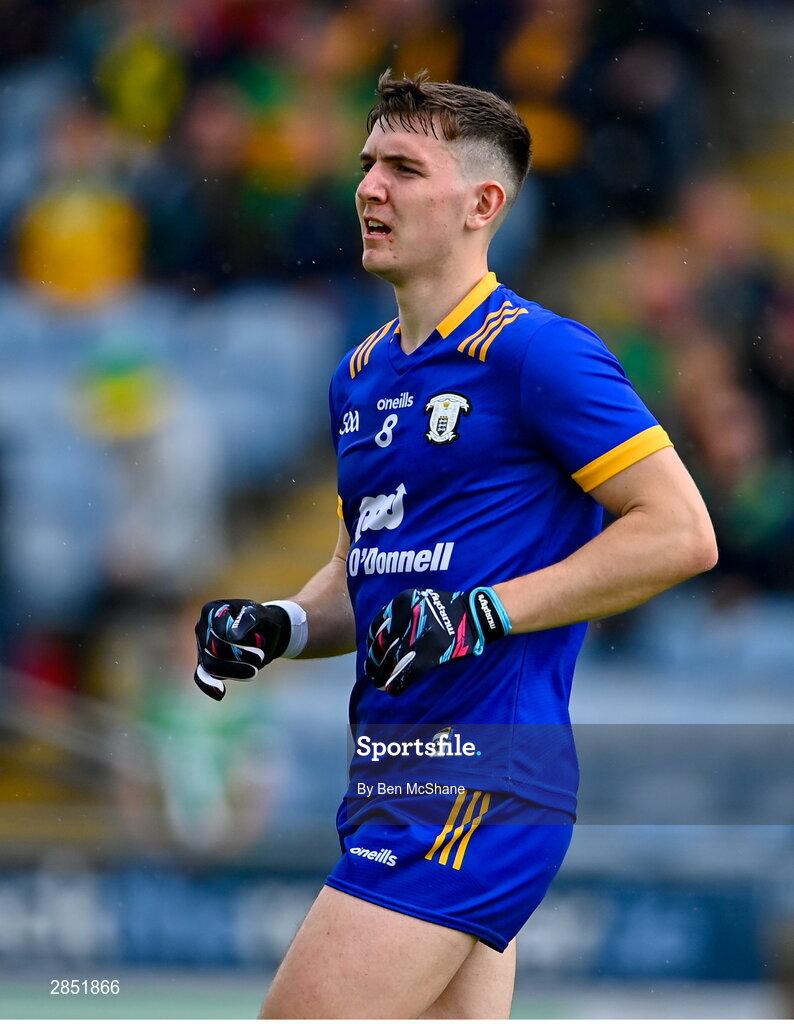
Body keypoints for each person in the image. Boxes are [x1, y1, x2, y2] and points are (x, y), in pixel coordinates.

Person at [193, 70, 718, 1019]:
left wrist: (485, 611)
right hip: (389, 772)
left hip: (477, 775)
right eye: (366, 165)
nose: (368, 188)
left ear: (484, 204)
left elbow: (680, 533)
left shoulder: (538, 352)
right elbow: (378, 573)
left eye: (403, 167)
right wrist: (281, 621)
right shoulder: (360, 374)